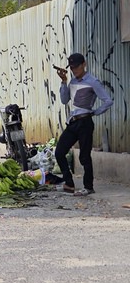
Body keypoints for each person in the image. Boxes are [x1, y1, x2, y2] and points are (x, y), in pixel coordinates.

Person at [55, 53, 113, 196]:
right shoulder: (73, 82)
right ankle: (69, 183)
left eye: (77, 67)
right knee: (59, 152)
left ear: (84, 64)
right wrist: (64, 82)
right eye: (72, 68)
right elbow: (64, 100)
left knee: (84, 156)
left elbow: (108, 101)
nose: (74, 70)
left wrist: (94, 112)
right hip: (73, 122)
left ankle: (88, 187)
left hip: (85, 122)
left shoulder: (93, 81)